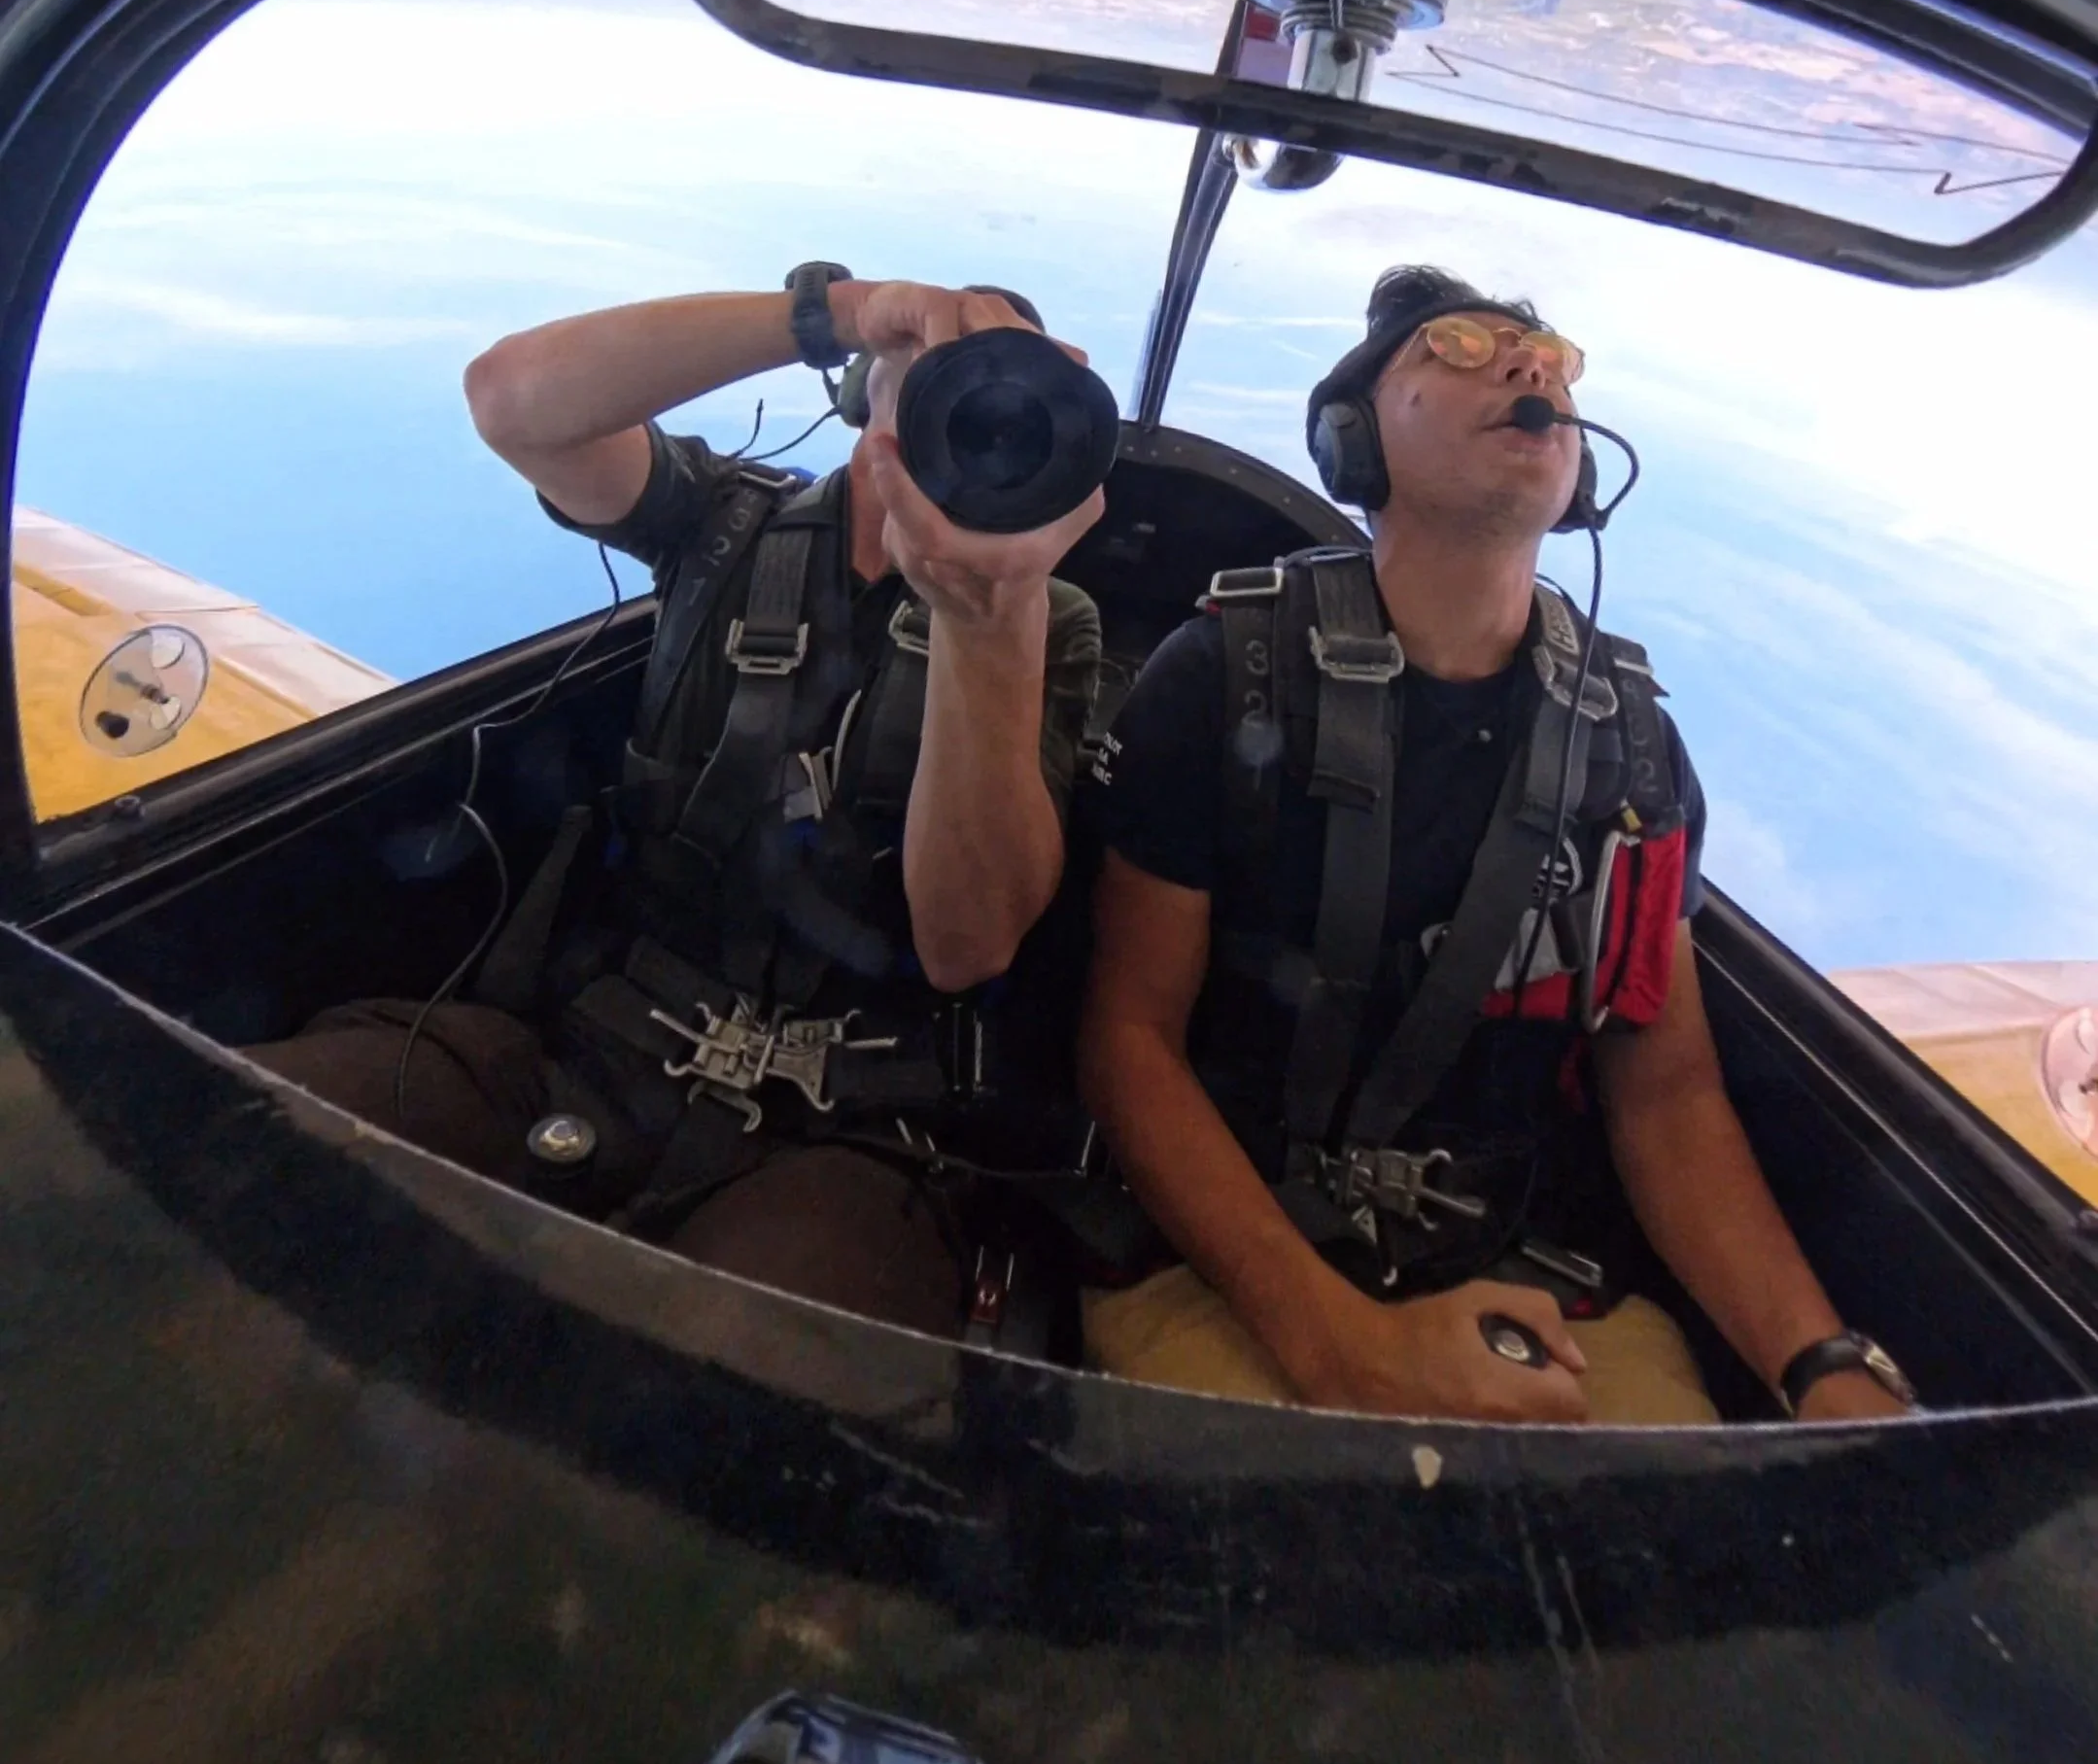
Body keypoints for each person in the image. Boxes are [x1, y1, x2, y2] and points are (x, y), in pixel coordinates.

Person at [1076, 263, 1918, 1429]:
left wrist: (1819, 1362)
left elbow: (1664, 1093)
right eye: (1456, 347)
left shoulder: (1631, 747)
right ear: (1352, 436)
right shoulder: (1223, 674)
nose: (1528, 365)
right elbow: (1128, 1041)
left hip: (1542, 1276)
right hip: (1234, 1256)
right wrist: (1339, 1346)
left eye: (1550, 356)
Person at [249, 265, 1104, 1334]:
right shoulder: (726, 521)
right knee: (242, 1136)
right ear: (864, 388)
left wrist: (990, 619)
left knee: (741, 1385)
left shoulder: (1047, 621)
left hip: (853, 1136)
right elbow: (512, 399)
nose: (973, 406)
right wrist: (833, 310)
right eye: (940, 362)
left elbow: (963, 942)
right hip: (592, 1047)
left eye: (1008, 386)